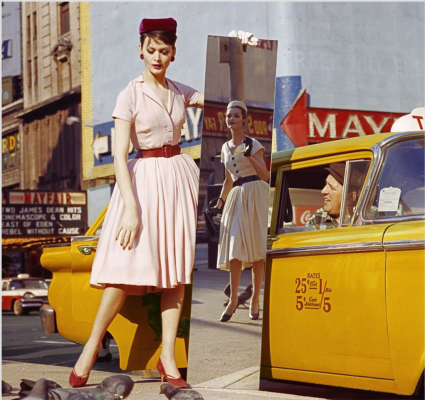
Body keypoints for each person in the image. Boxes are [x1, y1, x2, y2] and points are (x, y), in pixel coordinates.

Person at [69, 18, 204, 389]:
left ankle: (168, 358)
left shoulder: (180, 91)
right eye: (152, 49)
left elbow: (225, 99)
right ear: (140, 50)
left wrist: (243, 53)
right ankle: (92, 346)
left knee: (175, 274)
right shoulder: (129, 93)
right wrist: (129, 207)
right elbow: (118, 156)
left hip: (177, 178)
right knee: (123, 270)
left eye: (165, 50)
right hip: (141, 181)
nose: (157, 56)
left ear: (173, 53)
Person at [213, 101, 270, 322]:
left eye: (236, 116)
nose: (231, 119)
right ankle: (234, 298)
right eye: (229, 116)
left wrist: (248, 157)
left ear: (244, 120)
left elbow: (265, 175)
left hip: (256, 193)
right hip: (236, 195)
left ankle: (256, 298)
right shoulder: (224, 148)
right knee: (234, 246)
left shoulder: (253, 144)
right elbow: (228, 180)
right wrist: (219, 204)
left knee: (256, 249)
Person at [305, 162, 358, 230]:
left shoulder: (369, 217)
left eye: (331, 187)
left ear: (350, 197)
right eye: (326, 184)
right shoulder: (317, 218)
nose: (323, 191)